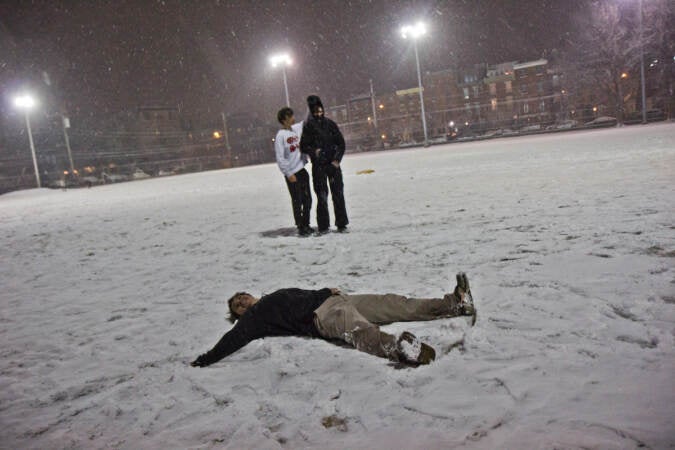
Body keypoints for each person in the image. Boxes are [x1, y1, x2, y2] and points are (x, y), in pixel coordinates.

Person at [190, 273, 476, 368]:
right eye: (237, 305)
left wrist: (326, 290)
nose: (242, 301)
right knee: (360, 331)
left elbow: (304, 294)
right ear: (238, 315)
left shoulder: (271, 296)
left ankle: (455, 304)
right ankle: (401, 350)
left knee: (394, 303)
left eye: (241, 296)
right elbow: (231, 341)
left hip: (338, 299)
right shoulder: (254, 321)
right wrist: (204, 359)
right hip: (323, 317)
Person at [300, 95, 349, 234]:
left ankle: (341, 223)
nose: (319, 114)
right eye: (316, 112)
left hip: (333, 166)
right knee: (322, 197)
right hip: (319, 167)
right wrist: (314, 151)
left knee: (338, 195)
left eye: (321, 111)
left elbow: (341, 144)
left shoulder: (331, 124)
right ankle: (323, 225)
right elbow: (303, 146)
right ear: (311, 112)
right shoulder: (308, 127)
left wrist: (337, 160)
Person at [274, 107, 313, 236]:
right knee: (298, 200)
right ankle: (300, 226)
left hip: (302, 170)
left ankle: (306, 224)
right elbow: (280, 157)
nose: (293, 118)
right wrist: (288, 173)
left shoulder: (296, 129)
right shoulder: (280, 136)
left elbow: (306, 121)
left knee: (308, 199)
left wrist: (310, 106)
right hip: (292, 173)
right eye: (290, 116)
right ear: (284, 119)